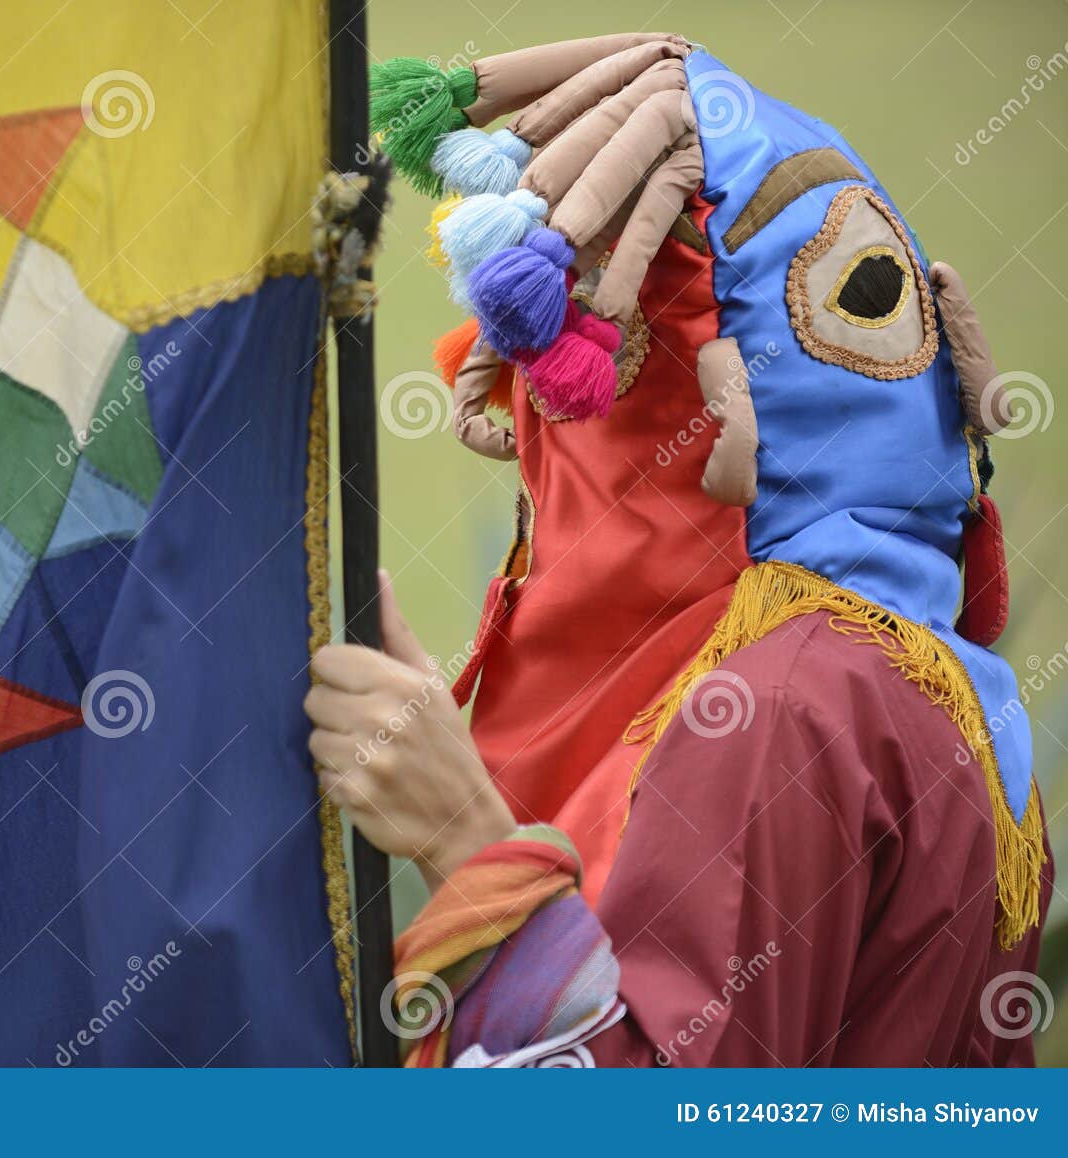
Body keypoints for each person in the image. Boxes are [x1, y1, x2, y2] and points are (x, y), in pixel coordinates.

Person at [307, 35, 1051, 1067]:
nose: (551, 459)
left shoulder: (784, 703)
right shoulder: (945, 692)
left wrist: (467, 844)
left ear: (699, 409)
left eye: (585, 389)